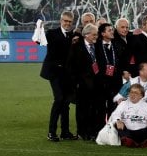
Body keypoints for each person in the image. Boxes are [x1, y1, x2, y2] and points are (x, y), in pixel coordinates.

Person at [41, 10, 77, 142]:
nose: (67, 23)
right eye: (65, 21)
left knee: (66, 102)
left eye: (69, 22)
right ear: (61, 21)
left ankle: (65, 132)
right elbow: (39, 42)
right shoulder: (51, 33)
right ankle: (51, 132)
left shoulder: (73, 35)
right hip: (54, 73)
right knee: (59, 99)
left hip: (67, 74)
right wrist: (39, 29)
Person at [66, 23, 102, 140]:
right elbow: (71, 66)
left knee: (94, 108)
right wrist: (75, 82)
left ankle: (92, 132)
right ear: (86, 35)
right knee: (82, 109)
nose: (96, 37)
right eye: (94, 35)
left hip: (96, 84)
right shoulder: (76, 47)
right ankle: (82, 132)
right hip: (82, 84)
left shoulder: (97, 46)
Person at [95, 23, 127, 133]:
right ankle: (99, 130)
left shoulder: (117, 45)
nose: (112, 32)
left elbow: (122, 61)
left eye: (112, 30)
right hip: (102, 82)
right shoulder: (96, 45)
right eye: (109, 30)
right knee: (100, 107)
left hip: (115, 81)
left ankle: (113, 129)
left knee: (113, 106)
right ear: (103, 33)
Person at [110, 84, 147, 148]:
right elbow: (116, 113)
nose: (132, 95)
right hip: (128, 132)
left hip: (143, 132)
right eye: (131, 92)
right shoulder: (123, 103)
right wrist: (118, 120)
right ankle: (128, 141)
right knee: (116, 123)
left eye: (136, 93)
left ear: (141, 96)